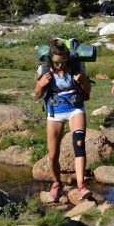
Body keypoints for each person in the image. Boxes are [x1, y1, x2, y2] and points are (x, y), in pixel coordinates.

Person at [33, 38, 91, 202]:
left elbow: (88, 91)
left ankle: (81, 187)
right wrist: (40, 85)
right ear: (51, 59)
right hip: (54, 111)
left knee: (79, 144)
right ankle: (57, 183)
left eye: (64, 61)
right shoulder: (44, 69)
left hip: (75, 108)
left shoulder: (76, 66)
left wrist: (83, 81)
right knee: (52, 155)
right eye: (57, 62)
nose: (61, 65)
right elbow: (37, 94)